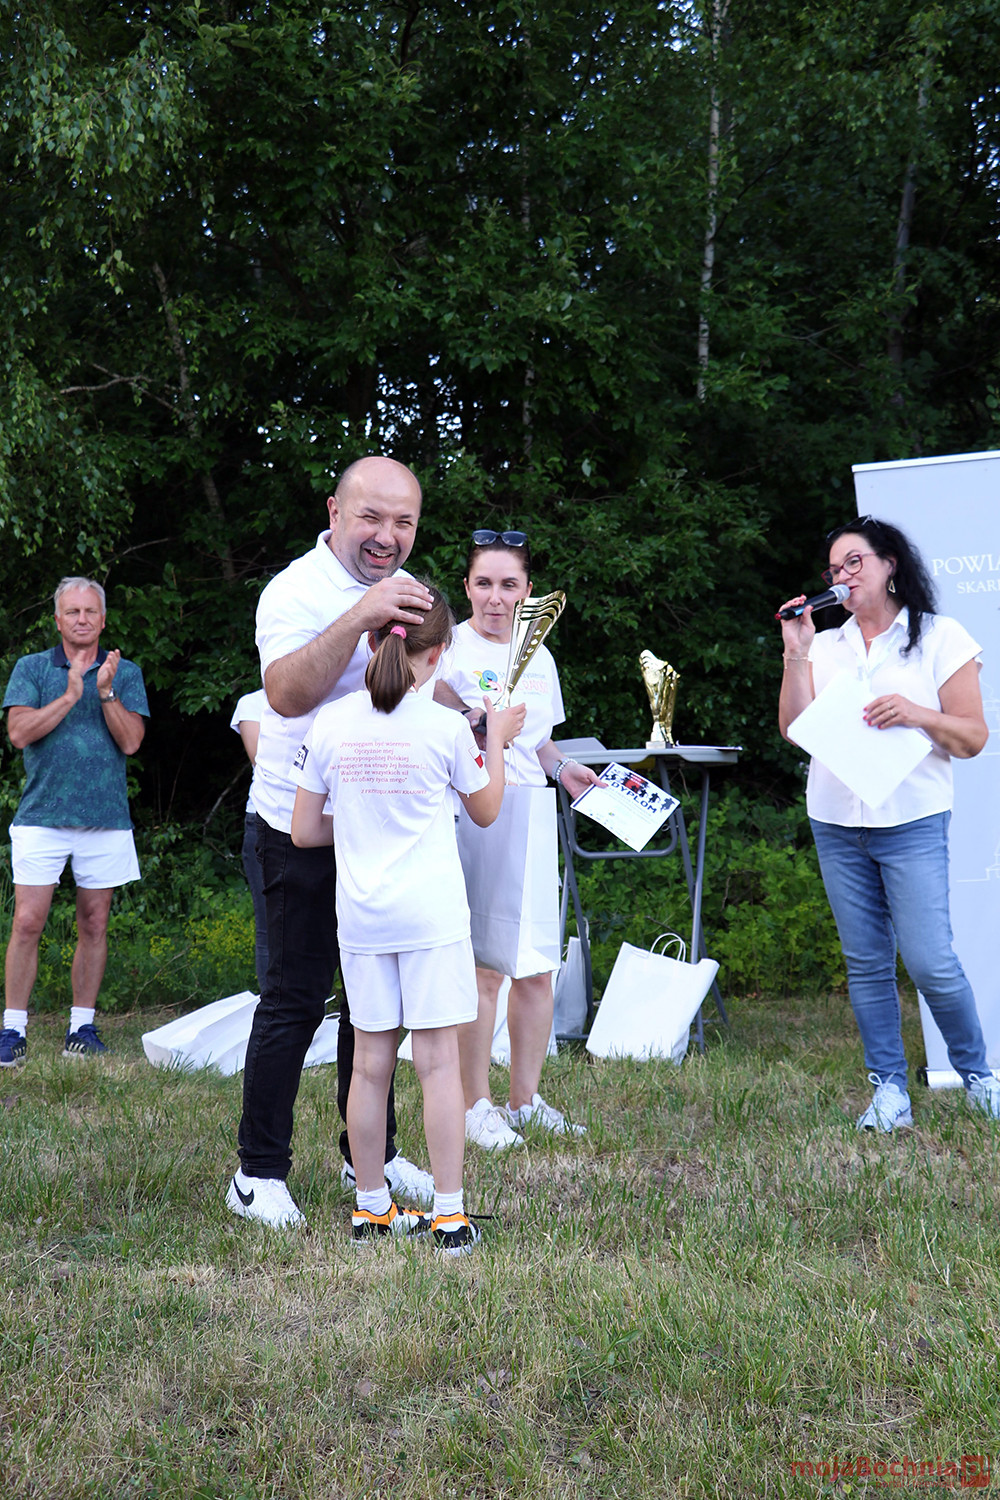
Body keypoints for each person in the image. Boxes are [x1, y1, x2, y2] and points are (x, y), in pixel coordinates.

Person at [227, 456, 437, 1230]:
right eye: (371, 517)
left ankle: (367, 1157)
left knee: (373, 1003)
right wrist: (360, 614)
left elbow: (415, 689)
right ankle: (257, 1173)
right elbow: (285, 695)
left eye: (404, 522)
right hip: (296, 829)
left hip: (378, 833)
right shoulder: (295, 591)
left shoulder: (408, 591)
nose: (388, 536)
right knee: (294, 998)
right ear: (335, 512)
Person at [291, 590, 525, 1252]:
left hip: (364, 917)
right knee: (438, 1064)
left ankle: (371, 1209)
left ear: (372, 642)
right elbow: (485, 810)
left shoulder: (331, 722)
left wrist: (359, 821)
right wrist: (496, 738)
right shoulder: (445, 727)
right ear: (440, 653)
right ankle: (449, 1215)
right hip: (431, 916)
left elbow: (304, 830)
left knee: (370, 1064)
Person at [778, 515, 1000, 1131]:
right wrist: (796, 651)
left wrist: (916, 713)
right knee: (867, 963)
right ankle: (889, 1090)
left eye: (855, 562)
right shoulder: (825, 645)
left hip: (911, 820)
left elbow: (973, 737)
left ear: (890, 563)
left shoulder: (939, 636)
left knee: (931, 962)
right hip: (836, 821)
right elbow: (794, 730)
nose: (843, 576)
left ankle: (978, 1076)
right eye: (834, 569)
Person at [436, 530, 601, 1149]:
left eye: (509, 585)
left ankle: (525, 1100)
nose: (495, 598)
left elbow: (540, 744)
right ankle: (475, 1104)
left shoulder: (541, 657)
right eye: (484, 583)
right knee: (483, 967)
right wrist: (472, 720)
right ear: (467, 587)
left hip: (531, 814)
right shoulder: (448, 648)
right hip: (474, 813)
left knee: (535, 966)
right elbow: (429, 724)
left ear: (528, 592)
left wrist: (565, 769)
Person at [0, 577, 148, 1066]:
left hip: (105, 818)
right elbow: (18, 733)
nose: (81, 619)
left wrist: (104, 693)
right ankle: (13, 1030)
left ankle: (81, 1028)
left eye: (90, 612)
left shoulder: (124, 672)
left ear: (103, 620)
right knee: (27, 921)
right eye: (72, 612)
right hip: (41, 816)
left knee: (95, 921)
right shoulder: (32, 668)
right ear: (57, 620)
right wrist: (69, 695)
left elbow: (131, 742)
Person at [229, 687, 268, 992]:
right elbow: (264, 763)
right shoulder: (252, 704)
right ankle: (275, 1006)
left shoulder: (334, 697)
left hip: (327, 819)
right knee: (270, 925)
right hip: (264, 820)